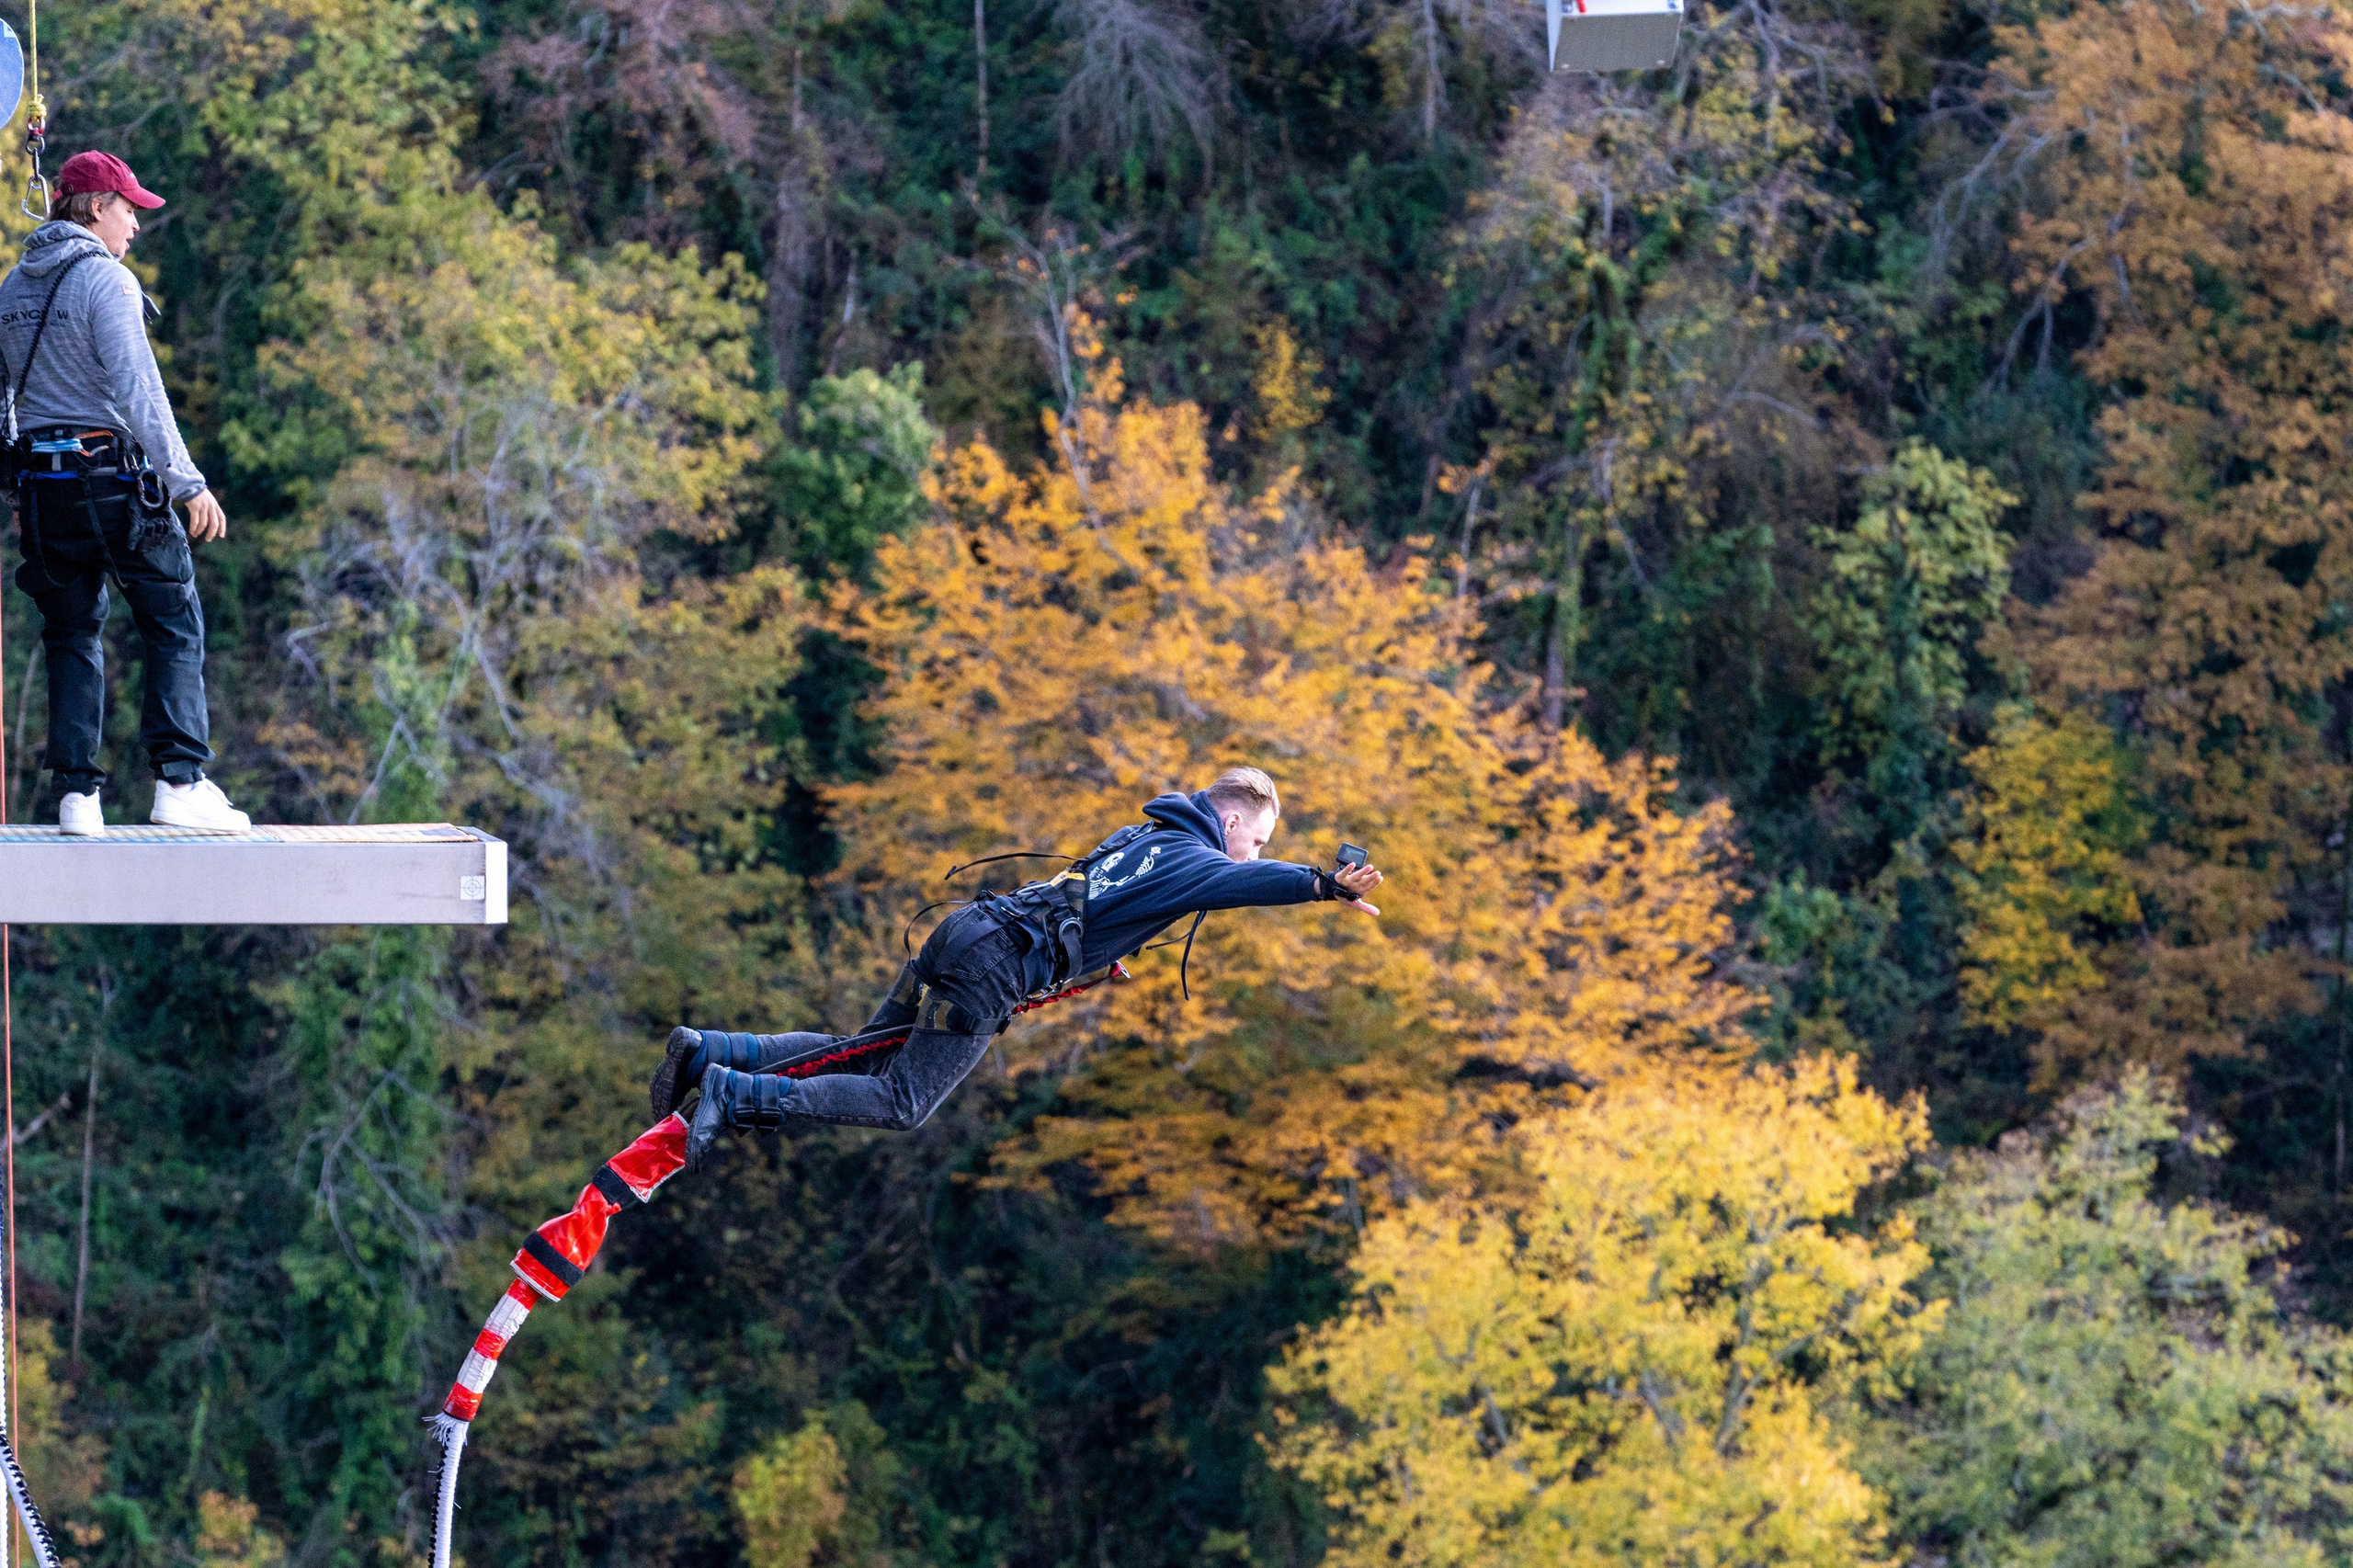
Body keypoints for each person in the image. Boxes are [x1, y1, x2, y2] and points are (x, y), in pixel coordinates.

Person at [658, 767, 1385, 1169]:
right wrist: (1323, 884)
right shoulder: (1196, 858)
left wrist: (1098, 963)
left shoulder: (1145, 832)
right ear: (1228, 824)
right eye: (1255, 840)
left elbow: (1095, 904)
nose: (1254, 853)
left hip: (966, 928)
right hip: (993, 969)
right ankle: (734, 1093)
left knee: (864, 1052)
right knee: (902, 1102)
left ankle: (709, 1052)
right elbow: (1244, 884)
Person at [2, 150, 248, 837]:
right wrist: (187, 483)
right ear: (96, 207)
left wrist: (17, 496)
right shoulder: (106, 282)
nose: (136, 224)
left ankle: (78, 797)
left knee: (71, 634)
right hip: (113, 481)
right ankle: (180, 781)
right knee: (172, 619)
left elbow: (1, 406)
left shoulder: (12, 289)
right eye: (129, 207)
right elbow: (140, 390)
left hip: (43, 493)